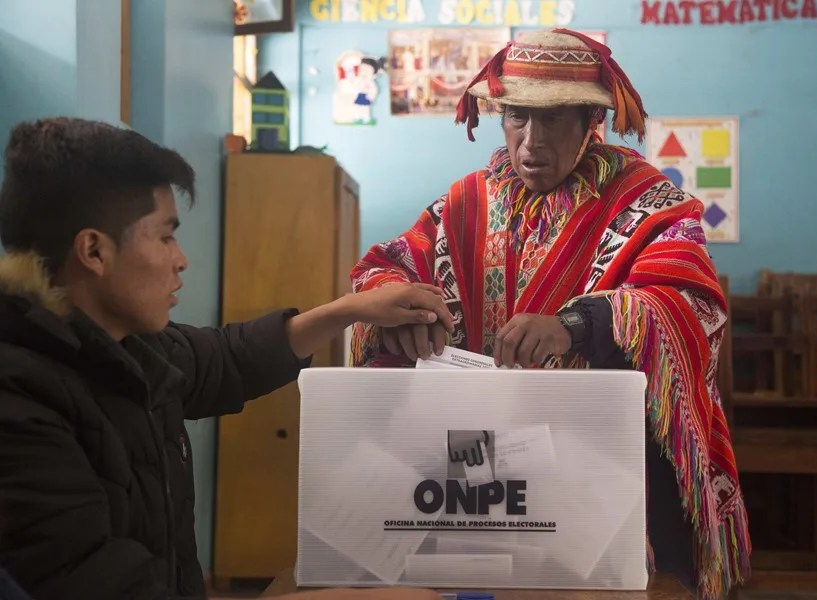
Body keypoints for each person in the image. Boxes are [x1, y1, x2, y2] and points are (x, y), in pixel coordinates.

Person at [350, 29, 751, 600]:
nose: (530, 140)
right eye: (516, 117)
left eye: (554, 119)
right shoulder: (467, 203)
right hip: (477, 469)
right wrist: (403, 312)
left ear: (592, 121)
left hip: (605, 467)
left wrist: (576, 326)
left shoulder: (647, 202)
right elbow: (384, 269)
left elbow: (691, 304)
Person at [0, 118, 445, 600]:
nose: (181, 259)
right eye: (165, 236)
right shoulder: (20, 403)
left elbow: (227, 359)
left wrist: (351, 308)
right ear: (93, 250)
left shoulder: (126, 344)